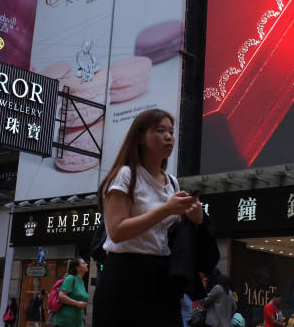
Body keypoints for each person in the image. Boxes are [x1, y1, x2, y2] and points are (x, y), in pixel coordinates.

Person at [92, 108, 203, 327]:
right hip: (124, 278)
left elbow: (171, 233)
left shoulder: (171, 182)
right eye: (160, 130)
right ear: (141, 137)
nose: (168, 136)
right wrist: (166, 209)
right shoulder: (125, 175)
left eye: (171, 131)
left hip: (161, 278)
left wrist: (195, 219)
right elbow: (116, 231)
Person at [54, 258, 89, 327]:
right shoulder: (70, 278)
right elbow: (61, 295)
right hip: (65, 323)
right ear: (77, 268)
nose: (87, 264)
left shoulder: (81, 282)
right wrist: (77, 303)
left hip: (78, 322)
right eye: (84, 263)